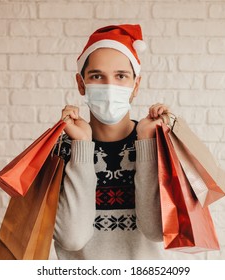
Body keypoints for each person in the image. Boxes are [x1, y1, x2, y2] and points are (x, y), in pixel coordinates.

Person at [53, 24, 172, 260]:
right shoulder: (61, 151)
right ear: (81, 84)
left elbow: (157, 231)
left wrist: (147, 143)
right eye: (97, 76)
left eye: (121, 76)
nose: (109, 87)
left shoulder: (157, 144)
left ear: (135, 85)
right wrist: (82, 146)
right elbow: (71, 237)